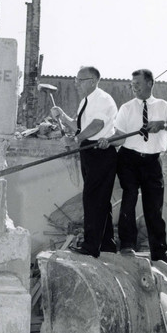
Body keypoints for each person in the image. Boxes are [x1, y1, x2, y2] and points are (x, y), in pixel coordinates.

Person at [99, 69, 167, 269]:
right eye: (132, 84)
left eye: (138, 83)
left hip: (153, 161)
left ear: (150, 83)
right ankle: (127, 246)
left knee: (154, 206)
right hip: (129, 159)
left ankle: (160, 253)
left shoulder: (163, 106)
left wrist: (163, 124)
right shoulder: (127, 108)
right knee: (129, 199)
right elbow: (120, 137)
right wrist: (107, 141)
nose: (134, 87)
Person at [51, 66, 118, 258]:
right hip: (88, 152)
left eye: (80, 80)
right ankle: (107, 245)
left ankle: (91, 246)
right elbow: (79, 127)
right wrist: (62, 116)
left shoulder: (103, 99)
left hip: (101, 151)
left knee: (92, 198)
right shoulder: (85, 102)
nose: (76, 83)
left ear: (92, 81)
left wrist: (76, 139)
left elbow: (97, 125)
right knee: (101, 201)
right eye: (76, 80)